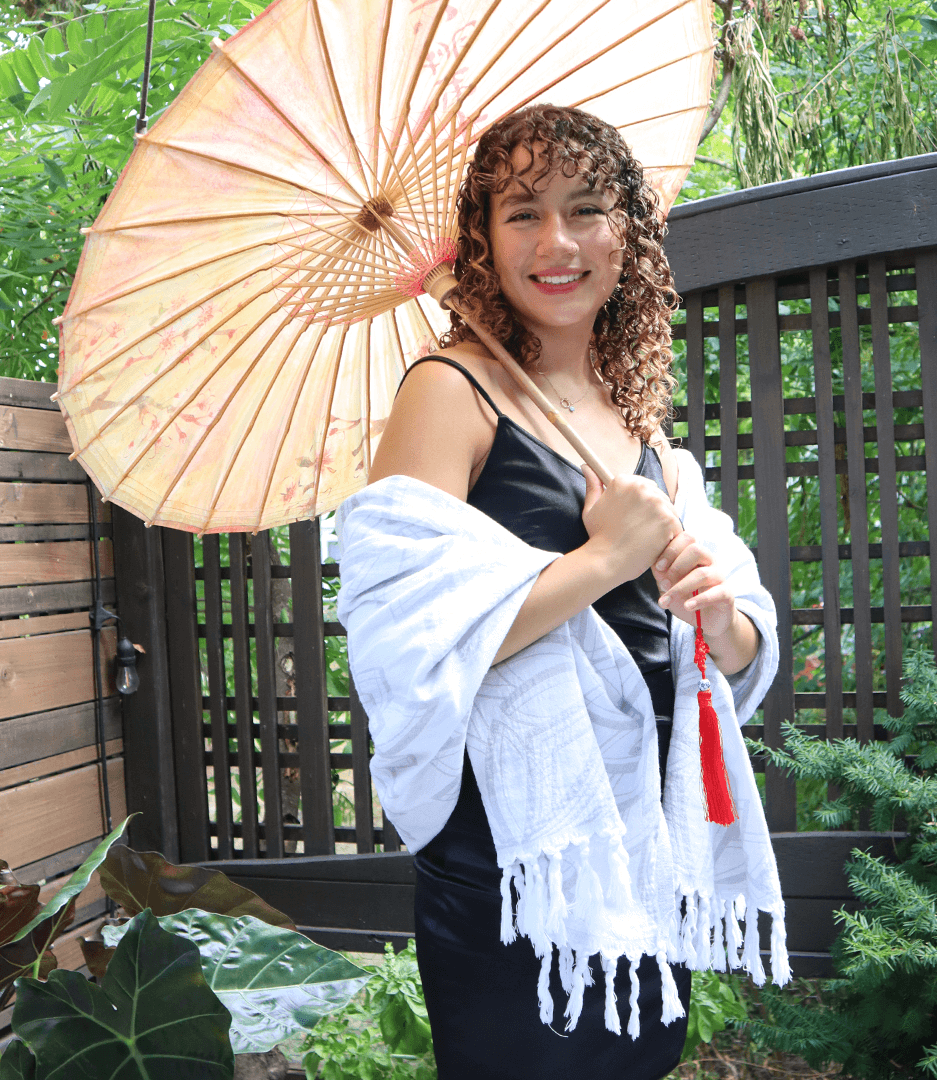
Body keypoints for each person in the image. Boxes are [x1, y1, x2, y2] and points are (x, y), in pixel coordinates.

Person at [336, 104, 785, 1080]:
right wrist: (603, 561)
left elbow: (726, 644)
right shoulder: (449, 393)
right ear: (482, 241)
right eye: (523, 213)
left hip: (635, 843)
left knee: (639, 1063)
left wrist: (719, 617)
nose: (558, 242)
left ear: (628, 230)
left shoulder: (643, 431)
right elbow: (401, 639)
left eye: (587, 208)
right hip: (512, 861)